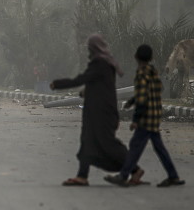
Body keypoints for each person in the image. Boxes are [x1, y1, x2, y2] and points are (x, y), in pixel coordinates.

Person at [50, 34, 142, 186]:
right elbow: (100, 85)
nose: (88, 52)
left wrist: (58, 84)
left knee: (108, 144)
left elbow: (80, 80)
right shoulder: (106, 63)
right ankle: (82, 176)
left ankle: (135, 169)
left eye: (89, 49)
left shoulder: (99, 63)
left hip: (102, 113)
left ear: (93, 49)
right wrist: (87, 91)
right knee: (87, 142)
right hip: (98, 112)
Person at [105, 45, 186, 188]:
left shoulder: (141, 73)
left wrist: (135, 120)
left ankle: (123, 175)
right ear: (150, 58)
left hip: (145, 119)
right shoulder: (152, 72)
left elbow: (142, 99)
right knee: (158, 148)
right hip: (155, 115)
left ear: (136, 57)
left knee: (135, 146)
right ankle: (173, 176)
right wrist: (131, 101)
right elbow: (156, 90)